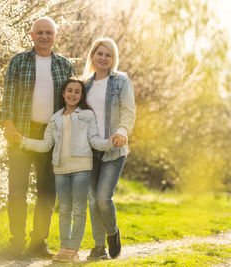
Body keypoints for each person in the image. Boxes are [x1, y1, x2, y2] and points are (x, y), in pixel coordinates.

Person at [0, 17, 75, 259]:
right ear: (31, 35)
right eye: (40, 32)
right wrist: (8, 125)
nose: (44, 36)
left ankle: (38, 242)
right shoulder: (19, 62)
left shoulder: (64, 66)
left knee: (47, 191)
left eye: (49, 33)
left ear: (55, 36)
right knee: (17, 190)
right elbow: (8, 96)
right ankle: (16, 242)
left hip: (50, 136)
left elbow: (72, 101)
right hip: (20, 133)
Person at [19, 78, 114, 262]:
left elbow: (94, 141)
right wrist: (23, 141)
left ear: (81, 95)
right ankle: (64, 248)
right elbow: (46, 145)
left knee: (78, 209)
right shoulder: (54, 118)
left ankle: (73, 250)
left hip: (82, 169)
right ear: (63, 93)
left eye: (77, 91)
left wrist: (111, 142)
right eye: (69, 90)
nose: (72, 94)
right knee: (64, 209)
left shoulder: (87, 115)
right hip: (60, 169)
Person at [82, 37, 136, 260]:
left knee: (103, 197)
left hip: (114, 148)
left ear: (113, 59)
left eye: (108, 55)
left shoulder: (121, 81)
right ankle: (98, 247)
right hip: (90, 149)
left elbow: (129, 110)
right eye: (99, 53)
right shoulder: (85, 85)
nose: (103, 58)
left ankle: (112, 233)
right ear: (92, 56)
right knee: (93, 199)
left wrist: (123, 131)